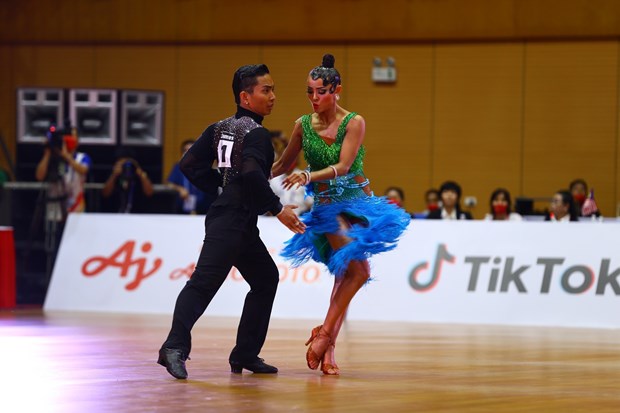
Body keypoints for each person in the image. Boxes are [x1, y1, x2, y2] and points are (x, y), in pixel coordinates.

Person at [158, 64, 304, 380]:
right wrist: (278, 209)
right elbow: (251, 173)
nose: (273, 96)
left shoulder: (218, 128)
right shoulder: (258, 134)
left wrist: (221, 185)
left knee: (265, 278)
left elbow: (189, 165)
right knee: (203, 285)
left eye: (273, 89)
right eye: (266, 90)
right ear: (245, 96)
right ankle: (173, 347)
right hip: (232, 221)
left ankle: (245, 353)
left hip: (234, 220)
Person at [271, 54, 411, 376]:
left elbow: (344, 167)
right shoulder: (302, 125)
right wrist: (249, 173)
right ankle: (324, 337)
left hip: (359, 203)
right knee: (357, 272)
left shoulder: (354, 122)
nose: (315, 98)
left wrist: (307, 176)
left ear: (337, 91)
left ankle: (328, 345)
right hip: (328, 209)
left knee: (344, 275)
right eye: (309, 91)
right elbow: (282, 166)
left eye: (321, 92)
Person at [35, 124, 92, 218]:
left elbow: (83, 170)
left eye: (71, 136)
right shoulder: (52, 158)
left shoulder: (82, 157)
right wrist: (48, 153)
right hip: (55, 208)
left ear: (77, 141)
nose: (67, 139)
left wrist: (66, 156)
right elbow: (39, 176)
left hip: (76, 208)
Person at [269, 131, 313, 215]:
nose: (289, 161)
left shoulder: (304, 177)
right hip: (276, 220)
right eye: (286, 157)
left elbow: (311, 204)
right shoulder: (274, 179)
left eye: (293, 158)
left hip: (300, 219)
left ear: (297, 160)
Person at [167, 139, 217, 214]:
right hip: (182, 209)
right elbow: (169, 184)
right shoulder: (178, 167)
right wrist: (180, 189)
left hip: (204, 209)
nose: (188, 153)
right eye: (185, 150)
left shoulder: (205, 167)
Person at [101, 149, 154, 213]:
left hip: (137, 214)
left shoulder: (139, 174)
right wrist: (114, 175)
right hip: (115, 214)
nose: (126, 166)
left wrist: (141, 174)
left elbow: (149, 193)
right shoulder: (113, 174)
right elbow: (105, 193)